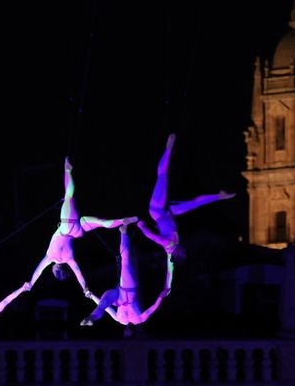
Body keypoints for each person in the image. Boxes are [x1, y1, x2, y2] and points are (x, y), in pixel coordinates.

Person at [28, 157, 136, 296]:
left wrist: (85, 288)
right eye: (53, 272)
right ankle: (68, 170)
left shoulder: (70, 260)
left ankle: (121, 221)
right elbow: (38, 271)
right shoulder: (50, 258)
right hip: (66, 227)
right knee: (69, 195)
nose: (51, 270)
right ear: (56, 269)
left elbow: (79, 274)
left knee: (102, 223)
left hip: (78, 232)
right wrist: (31, 283)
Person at [135, 134, 234, 284]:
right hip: (170, 212)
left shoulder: (167, 245)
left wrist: (141, 226)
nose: (185, 250)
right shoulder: (175, 245)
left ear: (177, 254)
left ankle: (168, 148)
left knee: (162, 176)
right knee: (194, 203)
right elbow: (171, 270)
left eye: (184, 253)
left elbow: (151, 236)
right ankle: (219, 196)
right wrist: (167, 288)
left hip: (157, 210)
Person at [80, 224, 169, 328]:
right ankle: (91, 318)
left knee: (125, 261)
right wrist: (91, 296)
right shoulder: (123, 320)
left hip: (126, 293)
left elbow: (151, 309)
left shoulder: (137, 320)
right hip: (120, 297)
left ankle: (123, 232)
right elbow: (106, 308)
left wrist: (160, 297)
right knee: (102, 306)